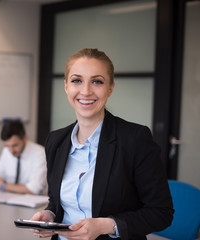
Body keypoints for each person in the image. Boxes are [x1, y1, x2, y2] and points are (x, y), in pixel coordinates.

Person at [29, 48, 174, 240]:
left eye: (97, 81)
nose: (86, 91)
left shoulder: (135, 139)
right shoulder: (56, 141)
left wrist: (107, 225)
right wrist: (50, 215)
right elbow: (57, 202)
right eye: (76, 80)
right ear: (66, 86)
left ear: (110, 88)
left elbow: (161, 213)